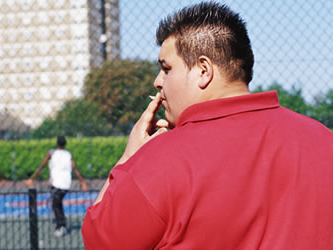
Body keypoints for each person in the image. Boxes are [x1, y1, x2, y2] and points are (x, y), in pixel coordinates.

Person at [82, 2, 333, 249]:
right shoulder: (324, 140)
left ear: (203, 70)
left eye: (166, 69)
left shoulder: (159, 160)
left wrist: (129, 157)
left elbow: (100, 242)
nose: (158, 81)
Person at [25, 135, 89, 237]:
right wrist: (83, 182)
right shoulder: (69, 154)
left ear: (57, 143)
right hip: (66, 184)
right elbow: (75, 169)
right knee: (56, 204)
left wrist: (32, 178)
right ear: (65, 144)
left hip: (56, 183)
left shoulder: (51, 153)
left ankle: (61, 226)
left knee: (55, 205)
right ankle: (60, 223)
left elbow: (42, 166)